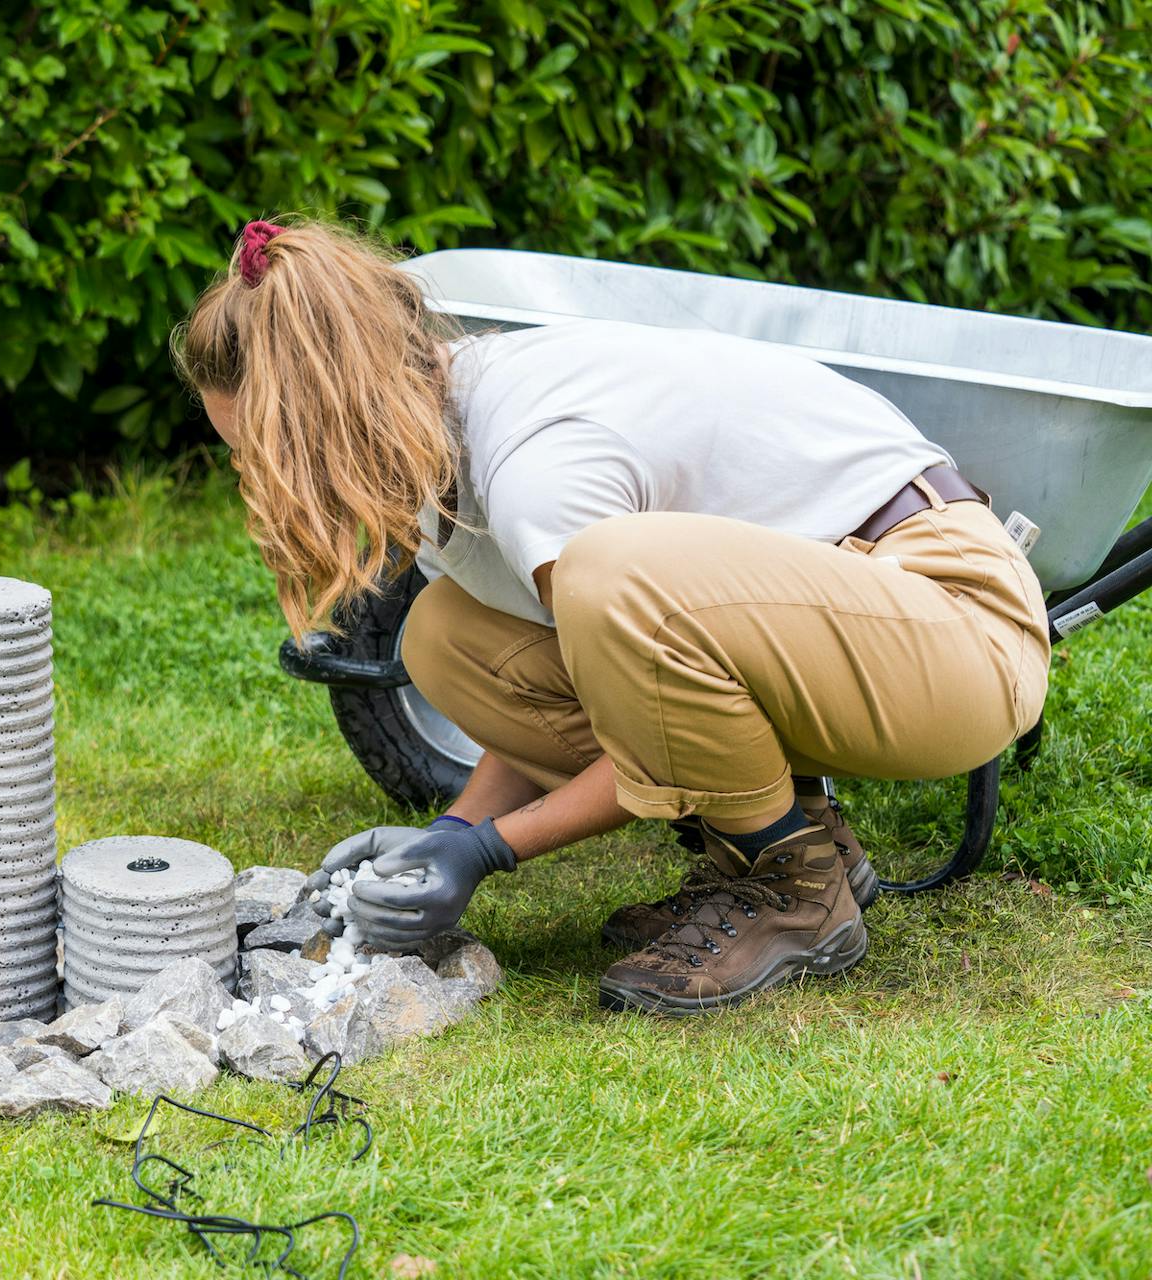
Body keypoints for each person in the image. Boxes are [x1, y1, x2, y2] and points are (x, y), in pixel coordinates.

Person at [173, 218, 1050, 1015]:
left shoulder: (533, 463)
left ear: (329, 416)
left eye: (271, 454)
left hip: (955, 631)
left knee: (610, 575)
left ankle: (794, 891)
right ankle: (793, 841)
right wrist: (448, 829)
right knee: (446, 637)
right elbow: (604, 680)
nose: (268, 482)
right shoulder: (441, 440)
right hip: (851, 631)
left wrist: (489, 852)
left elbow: (644, 703)